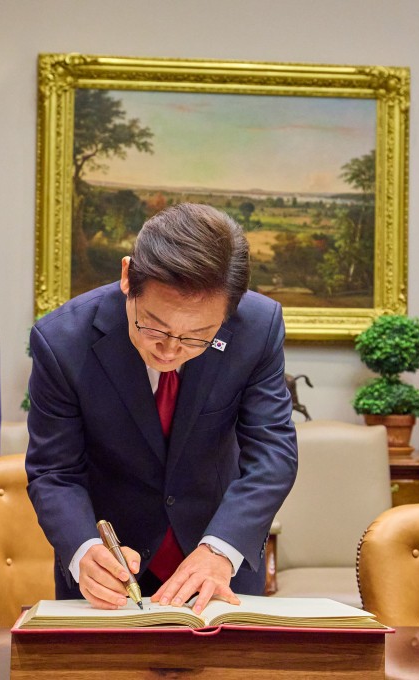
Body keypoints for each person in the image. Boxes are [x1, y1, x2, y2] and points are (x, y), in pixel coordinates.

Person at [26, 203, 297, 615]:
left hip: (217, 563)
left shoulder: (257, 329)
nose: (169, 350)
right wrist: (83, 551)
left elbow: (273, 455)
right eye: (153, 326)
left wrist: (221, 549)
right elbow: (54, 471)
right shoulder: (62, 341)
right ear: (126, 277)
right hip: (111, 573)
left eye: (197, 337)